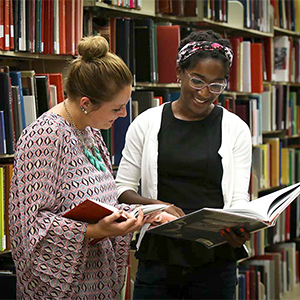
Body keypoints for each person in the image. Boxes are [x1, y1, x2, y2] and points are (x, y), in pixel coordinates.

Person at [9, 35, 150, 299]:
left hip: (96, 283)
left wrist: (144, 215)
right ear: (85, 103)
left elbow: (102, 202)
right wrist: (94, 231)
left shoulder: (89, 131)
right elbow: (29, 228)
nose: (122, 115)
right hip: (65, 291)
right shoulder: (45, 137)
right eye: (117, 108)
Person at [115, 30, 252, 299]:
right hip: (158, 259)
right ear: (179, 72)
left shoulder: (236, 128)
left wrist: (241, 226)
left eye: (216, 85)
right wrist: (158, 206)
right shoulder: (146, 123)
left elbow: (238, 197)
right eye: (197, 80)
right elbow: (122, 189)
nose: (205, 93)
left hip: (216, 259)